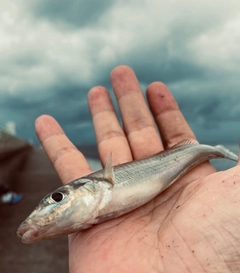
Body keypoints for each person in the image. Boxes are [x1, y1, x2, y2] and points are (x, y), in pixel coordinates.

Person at [35, 66, 240, 273]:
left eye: (58, 197)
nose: (57, 201)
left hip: (187, 153)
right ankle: (218, 151)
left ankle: (217, 151)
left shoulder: (104, 184)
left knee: (200, 152)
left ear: (92, 186)